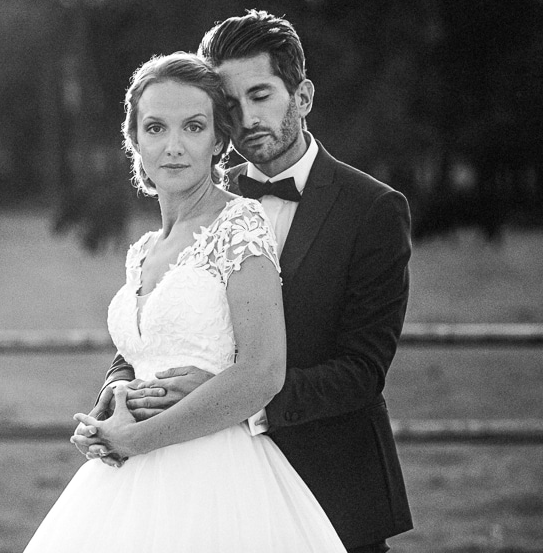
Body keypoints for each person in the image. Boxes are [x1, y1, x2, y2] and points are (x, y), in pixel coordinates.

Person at [88, 11, 413, 553]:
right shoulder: (199, 192)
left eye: (261, 95)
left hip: (331, 484)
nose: (246, 119)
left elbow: (363, 368)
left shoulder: (373, 210)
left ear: (303, 95)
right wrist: (116, 396)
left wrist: (242, 402)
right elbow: (165, 324)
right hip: (191, 481)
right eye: (230, 106)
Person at [23, 51, 346, 552]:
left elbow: (263, 372)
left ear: (219, 140)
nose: (173, 147)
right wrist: (110, 420)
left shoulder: (240, 225)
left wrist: (139, 440)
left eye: (193, 127)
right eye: (155, 128)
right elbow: (139, 360)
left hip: (215, 477)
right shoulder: (144, 251)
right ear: (134, 139)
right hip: (127, 483)